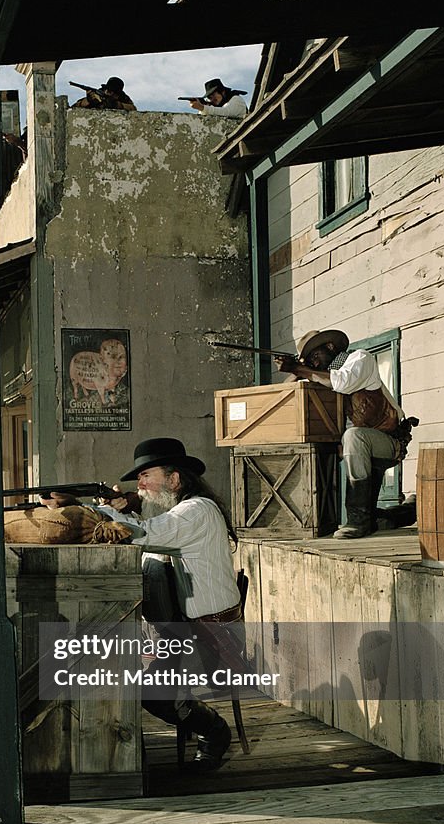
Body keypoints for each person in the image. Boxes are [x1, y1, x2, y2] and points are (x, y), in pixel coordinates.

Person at [96, 437, 240, 770]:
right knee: (119, 663)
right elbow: (150, 531)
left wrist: (104, 512)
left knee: (149, 691)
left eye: (147, 475)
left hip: (210, 634)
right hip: (188, 625)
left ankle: (213, 731)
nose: (141, 484)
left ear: (174, 480)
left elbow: (142, 534)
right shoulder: (185, 510)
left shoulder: (195, 511)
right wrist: (125, 507)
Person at [275, 329, 406, 539]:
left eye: (315, 356)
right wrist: (295, 371)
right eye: (311, 361)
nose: (315, 364)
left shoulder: (360, 358)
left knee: (354, 436)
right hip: (358, 449)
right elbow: (282, 393)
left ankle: (357, 522)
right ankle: (406, 510)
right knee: (378, 521)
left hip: (388, 442)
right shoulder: (323, 375)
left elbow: (343, 382)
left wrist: (303, 369)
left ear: (330, 347)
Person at [71, 76, 136, 112]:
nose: (108, 92)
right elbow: (73, 108)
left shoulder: (124, 98)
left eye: (112, 92)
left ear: (117, 95)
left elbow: (133, 109)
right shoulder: (98, 94)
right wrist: (88, 101)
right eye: (108, 90)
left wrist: (116, 105)